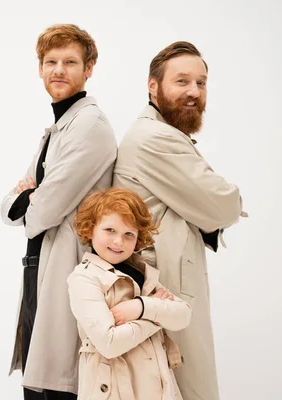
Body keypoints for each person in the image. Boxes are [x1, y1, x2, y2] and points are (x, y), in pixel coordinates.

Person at [112, 41, 247, 400]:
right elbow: (224, 205)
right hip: (163, 290)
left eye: (201, 83)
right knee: (187, 389)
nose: (194, 92)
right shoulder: (154, 137)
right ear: (152, 86)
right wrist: (224, 200)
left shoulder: (163, 133)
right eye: (182, 81)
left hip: (165, 286)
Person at [0, 24, 117, 399]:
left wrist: (32, 198)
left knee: (60, 386)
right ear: (40, 69)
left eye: (70, 61)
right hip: (38, 267)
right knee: (38, 384)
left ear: (89, 68)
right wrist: (29, 198)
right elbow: (8, 207)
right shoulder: (56, 129)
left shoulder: (90, 126)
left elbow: (41, 212)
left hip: (70, 271)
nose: (58, 70)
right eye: (50, 61)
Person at [67, 187, 192, 400]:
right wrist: (157, 316)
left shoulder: (141, 272)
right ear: (90, 230)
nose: (118, 241)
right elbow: (109, 343)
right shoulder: (84, 279)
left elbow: (183, 315)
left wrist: (141, 307)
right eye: (110, 230)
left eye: (128, 234)